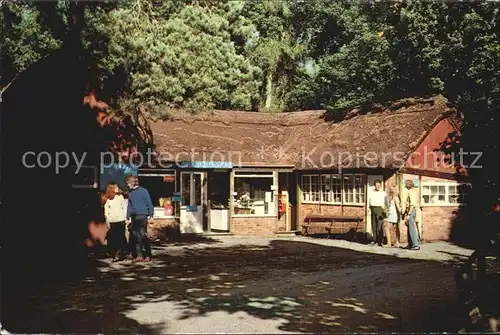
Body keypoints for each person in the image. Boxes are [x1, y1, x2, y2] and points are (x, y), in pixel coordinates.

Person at [125, 174, 154, 262]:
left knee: (142, 235)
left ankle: (148, 255)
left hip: (142, 216)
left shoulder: (143, 191)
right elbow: (129, 206)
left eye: (128, 183)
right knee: (135, 236)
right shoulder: (130, 193)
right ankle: (139, 255)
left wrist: (151, 216)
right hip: (134, 217)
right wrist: (127, 217)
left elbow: (149, 203)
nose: (127, 185)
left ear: (133, 182)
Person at [104, 182, 128, 262]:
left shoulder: (120, 196)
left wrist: (126, 218)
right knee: (114, 238)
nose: (118, 188)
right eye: (116, 187)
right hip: (112, 221)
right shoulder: (107, 199)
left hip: (121, 220)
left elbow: (124, 207)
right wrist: (107, 221)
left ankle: (119, 254)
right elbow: (106, 212)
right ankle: (114, 254)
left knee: (120, 238)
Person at [401, 179, 420, 250]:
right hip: (409, 210)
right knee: (409, 228)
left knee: (411, 228)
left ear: (409, 185)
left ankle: (416, 245)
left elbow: (412, 204)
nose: (405, 185)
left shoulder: (412, 192)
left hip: (411, 211)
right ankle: (410, 244)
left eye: (406, 184)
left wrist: (408, 214)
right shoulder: (410, 191)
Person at [383, 183, 402, 248]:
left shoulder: (395, 197)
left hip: (393, 215)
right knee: (397, 229)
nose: (390, 190)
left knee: (386, 228)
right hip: (394, 215)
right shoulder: (394, 197)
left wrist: (402, 214)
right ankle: (397, 243)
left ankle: (389, 243)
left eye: (391, 189)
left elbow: (398, 207)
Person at [368, 180, 386, 246]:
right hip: (373, 208)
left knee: (380, 226)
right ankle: (374, 240)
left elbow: (385, 202)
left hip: (380, 210)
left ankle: (380, 241)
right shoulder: (371, 192)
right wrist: (369, 208)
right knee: (374, 225)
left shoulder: (383, 193)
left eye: (378, 185)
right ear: (374, 186)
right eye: (376, 185)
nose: (377, 186)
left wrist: (384, 210)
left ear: (380, 186)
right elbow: (369, 200)